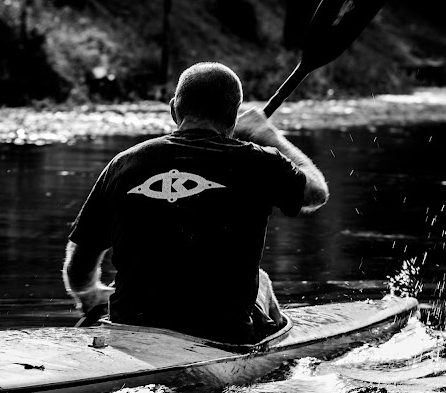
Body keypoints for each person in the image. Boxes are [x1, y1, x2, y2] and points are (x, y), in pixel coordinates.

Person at [63, 62, 329, 344]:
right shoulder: (259, 162)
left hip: (130, 327)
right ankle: (275, 344)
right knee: (260, 280)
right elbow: (317, 193)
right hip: (221, 334)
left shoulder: (123, 164)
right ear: (233, 117)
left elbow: (78, 268)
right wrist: (268, 136)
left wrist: (91, 292)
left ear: (174, 109)